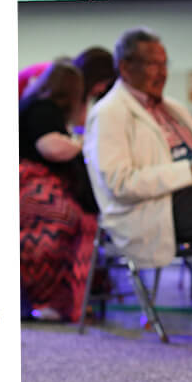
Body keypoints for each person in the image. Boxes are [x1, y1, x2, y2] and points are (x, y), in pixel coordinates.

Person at [84, 27, 192, 270]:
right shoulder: (108, 114)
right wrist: (190, 171)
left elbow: (190, 157)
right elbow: (119, 184)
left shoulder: (173, 108)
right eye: (152, 65)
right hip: (163, 206)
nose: (163, 73)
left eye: (165, 64)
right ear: (125, 67)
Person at [19, 56, 113, 322]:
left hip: (32, 187)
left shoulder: (33, 105)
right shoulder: (44, 109)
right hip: (32, 187)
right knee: (71, 221)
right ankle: (54, 297)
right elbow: (50, 147)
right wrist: (82, 142)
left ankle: (61, 299)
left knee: (78, 222)